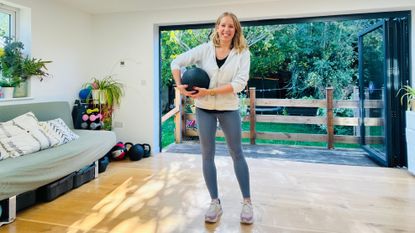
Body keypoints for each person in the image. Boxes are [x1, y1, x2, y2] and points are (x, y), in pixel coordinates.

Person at [171, 12, 253, 224]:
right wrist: (180, 85)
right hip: (204, 109)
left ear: (236, 30)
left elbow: (240, 83)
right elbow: (176, 62)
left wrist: (211, 92)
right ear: (217, 27)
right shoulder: (205, 50)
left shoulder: (242, 53)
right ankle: (214, 202)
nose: (226, 30)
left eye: (231, 27)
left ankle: (247, 202)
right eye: (223, 25)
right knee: (207, 155)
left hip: (228, 108)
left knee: (237, 153)